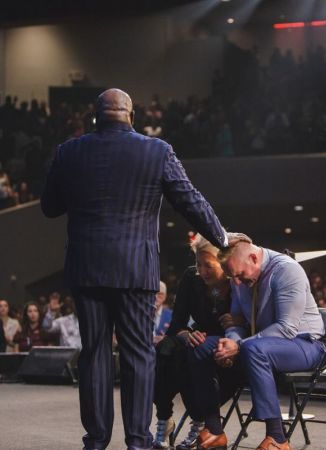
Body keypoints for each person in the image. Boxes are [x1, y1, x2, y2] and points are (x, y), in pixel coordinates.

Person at [40, 88, 229, 450]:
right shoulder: (156, 151)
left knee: (94, 353)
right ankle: (138, 442)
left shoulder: (69, 152)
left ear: (95, 116)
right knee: (139, 355)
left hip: (87, 268)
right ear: (131, 115)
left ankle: (95, 442)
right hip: (136, 269)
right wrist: (220, 236)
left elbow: (49, 207)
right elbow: (190, 200)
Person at [188, 239, 325, 450]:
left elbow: (286, 329)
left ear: (253, 258)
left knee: (253, 349)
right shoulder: (238, 276)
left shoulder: (287, 270)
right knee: (204, 346)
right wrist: (230, 342)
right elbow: (235, 320)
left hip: (304, 343)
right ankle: (215, 430)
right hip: (260, 344)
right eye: (232, 276)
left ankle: (277, 438)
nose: (237, 281)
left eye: (239, 275)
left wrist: (239, 346)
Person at [153, 234, 240, 450]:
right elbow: (176, 324)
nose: (201, 271)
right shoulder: (191, 277)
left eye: (207, 265)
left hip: (227, 343)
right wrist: (186, 334)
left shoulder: (238, 281)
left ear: (223, 261)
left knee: (190, 357)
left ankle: (201, 425)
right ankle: (164, 419)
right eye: (198, 264)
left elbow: (250, 325)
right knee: (164, 349)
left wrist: (237, 322)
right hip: (196, 337)